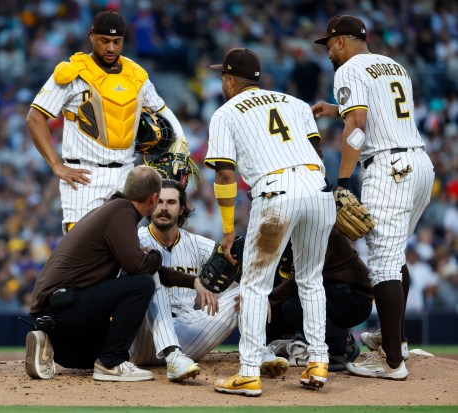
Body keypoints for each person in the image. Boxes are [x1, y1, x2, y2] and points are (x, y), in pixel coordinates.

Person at [205, 48, 336, 396]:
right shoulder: (294, 102)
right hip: (319, 189)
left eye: (223, 77)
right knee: (311, 279)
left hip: (277, 192)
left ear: (230, 80)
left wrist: (229, 229)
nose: (222, 82)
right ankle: (318, 362)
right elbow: (317, 153)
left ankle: (248, 371)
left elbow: (224, 174)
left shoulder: (226, 112)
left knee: (254, 286)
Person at [312, 15, 434, 380]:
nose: (330, 51)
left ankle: (392, 361)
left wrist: (343, 181)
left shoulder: (348, 69)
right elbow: (380, 114)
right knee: (393, 257)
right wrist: (337, 111)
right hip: (420, 164)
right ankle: (393, 338)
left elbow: (359, 125)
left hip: (388, 168)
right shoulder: (394, 65)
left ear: (343, 41)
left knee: (382, 262)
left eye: (330, 44)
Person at [26, 166, 203, 382]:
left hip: (58, 309)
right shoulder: (122, 213)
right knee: (142, 284)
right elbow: (138, 267)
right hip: (62, 305)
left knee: (95, 355)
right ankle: (110, 364)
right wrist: (155, 255)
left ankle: (49, 343)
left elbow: (146, 266)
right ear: (154, 198)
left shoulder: (114, 209)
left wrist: (193, 281)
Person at [26, 10, 188, 233]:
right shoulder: (73, 72)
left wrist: (181, 148)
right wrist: (55, 165)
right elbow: (35, 117)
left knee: (122, 252)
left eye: (116, 41)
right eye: (104, 41)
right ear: (92, 37)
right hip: (84, 176)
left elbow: (162, 111)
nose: (111, 48)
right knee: (82, 252)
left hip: (126, 176)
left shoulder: (135, 74)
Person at [130, 179, 289, 381]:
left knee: (246, 290)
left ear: (181, 209)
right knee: (149, 274)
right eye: (159, 202)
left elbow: (233, 262)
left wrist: (256, 293)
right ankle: (171, 355)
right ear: (151, 205)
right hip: (142, 337)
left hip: (186, 336)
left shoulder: (195, 242)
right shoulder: (136, 239)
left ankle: (256, 352)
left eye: (171, 202)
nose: (163, 208)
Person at [267, 228, 373, 371]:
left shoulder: (318, 229)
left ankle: (340, 345)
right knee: (279, 304)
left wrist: (265, 298)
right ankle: (293, 340)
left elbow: (298, 281)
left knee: (292, 307)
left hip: (353, 298)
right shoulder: (294, 230)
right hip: (333, 292)